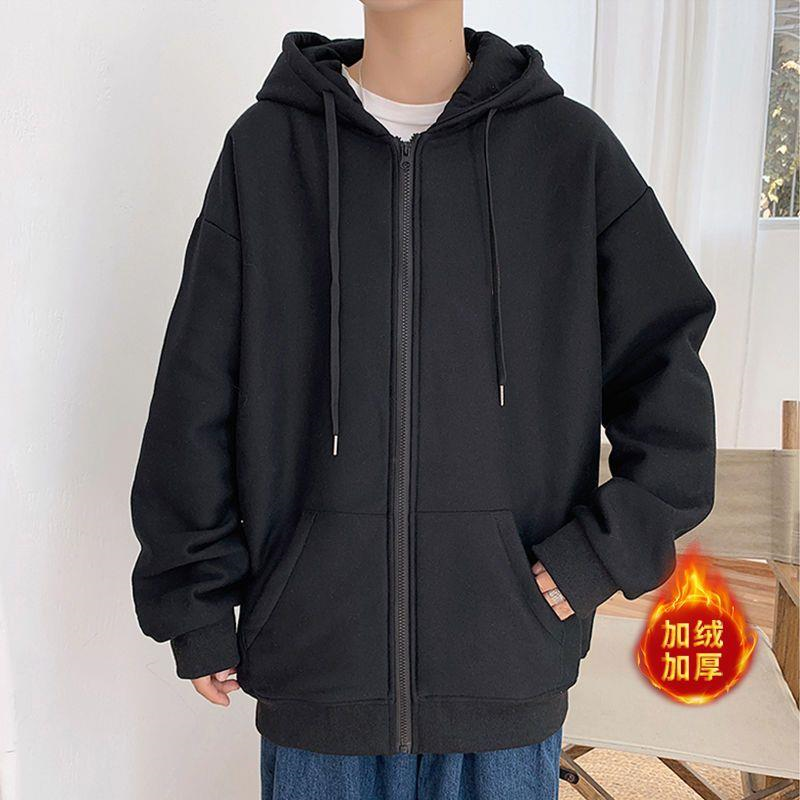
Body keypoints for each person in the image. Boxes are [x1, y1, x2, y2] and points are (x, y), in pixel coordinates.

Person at [129, 1, 717, 798]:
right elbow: (195, 392)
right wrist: (194, 595)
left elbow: (667, 377)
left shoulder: (568, 151)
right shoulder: (267, 151)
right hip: (318, 670)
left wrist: (601, 554)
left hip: (505, 668)